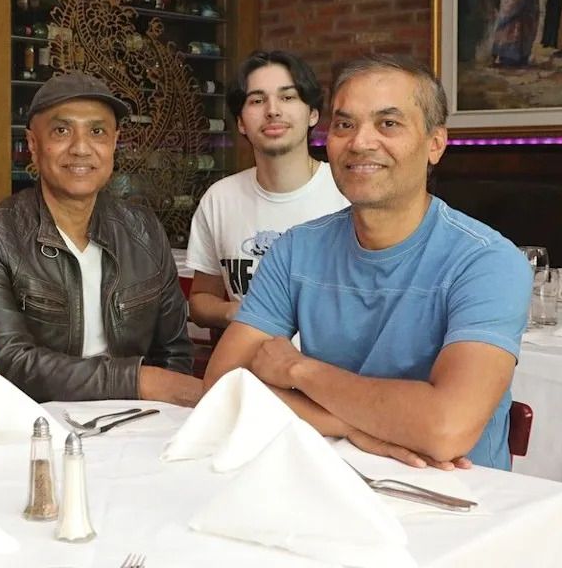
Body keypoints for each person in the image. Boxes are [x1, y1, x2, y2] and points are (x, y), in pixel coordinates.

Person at [204, 54, 532, 470]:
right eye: (344, 125)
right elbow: (221, 384)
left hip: (454, 498)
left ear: (435, 144)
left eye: (388, 124)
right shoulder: (296, 250)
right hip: (327, 478)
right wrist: (346, 425)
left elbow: (446, 428)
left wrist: (299, 370)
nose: (360, 142)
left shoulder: (486, 261)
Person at [0, 72, 201, 406]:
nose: (81, 148)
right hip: (35, 423)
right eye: (61, 131)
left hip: (139, 419)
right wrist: (137, 380)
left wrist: (160, 410)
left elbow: (174, 351)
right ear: (33, 144)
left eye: (97, 132)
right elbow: (9, 362)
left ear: (114, 142)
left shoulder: (143, 230)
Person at [185, 50, 348, 335]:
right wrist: (236, 313)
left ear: (312, 114)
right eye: (257, 100)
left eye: (287, 97)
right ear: (240, 122)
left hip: (327, 370)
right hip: (246, 368)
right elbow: (200, 301)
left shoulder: (345, 193)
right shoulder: (220, 198)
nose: (272, 110)